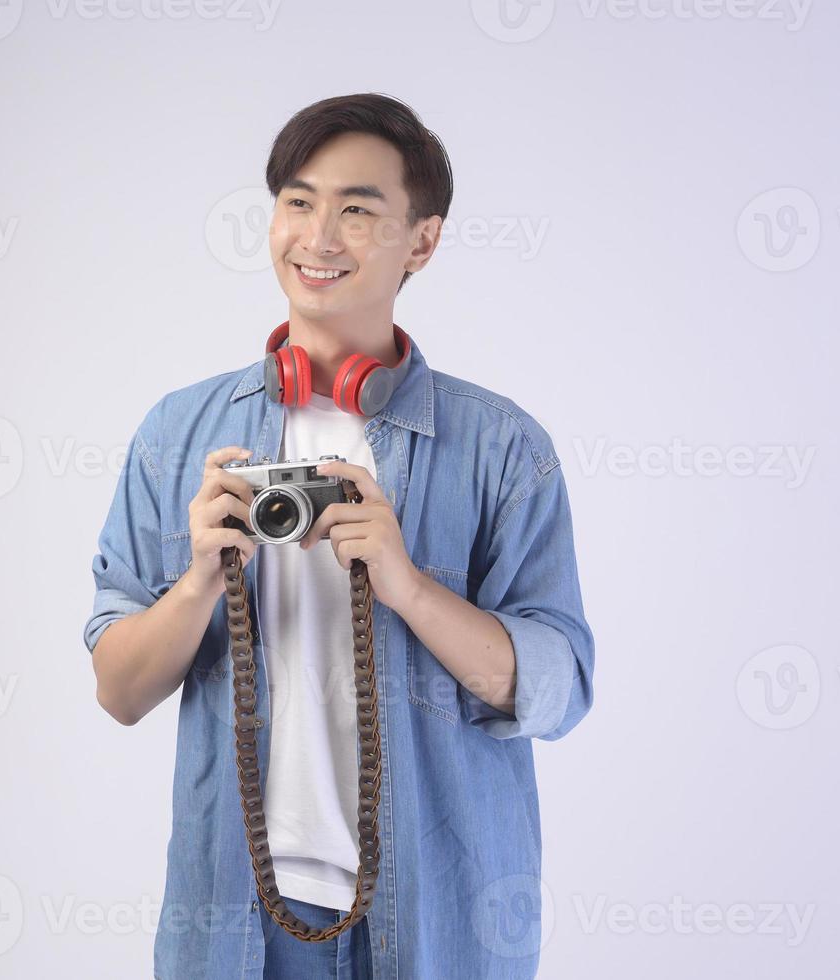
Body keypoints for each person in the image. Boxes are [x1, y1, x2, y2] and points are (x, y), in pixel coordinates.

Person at [84, 93, 595, 980]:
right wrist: (200, 580)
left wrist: (406, 586)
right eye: (297, 201)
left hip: (441, 907)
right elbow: (119, 691)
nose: (318, 236)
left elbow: (558, 687)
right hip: (236, 912)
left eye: (357, 209)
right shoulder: (178, 433)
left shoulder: (503, 446)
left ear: (421, 241)